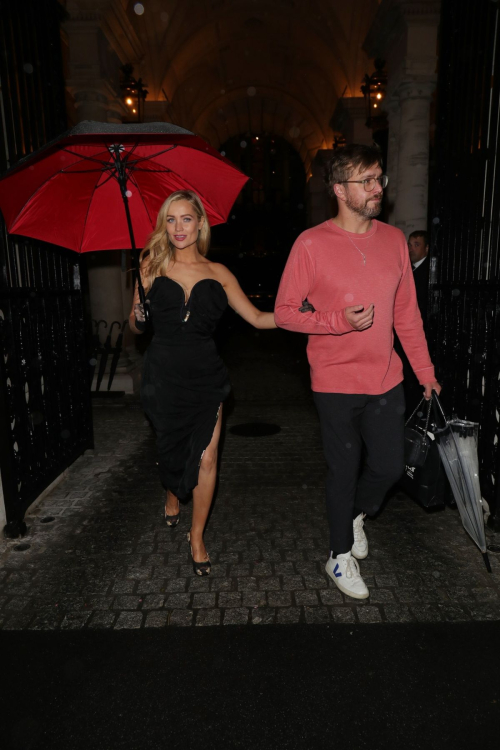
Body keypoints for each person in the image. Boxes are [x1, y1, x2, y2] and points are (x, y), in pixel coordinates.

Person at [274, 144, 441, 600]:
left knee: (389, 467)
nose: (377, 189)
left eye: (379, 179)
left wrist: (424, 371)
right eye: (366, 181)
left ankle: (356, 514)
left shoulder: (393, 240)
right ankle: (338, 555)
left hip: (386, 378)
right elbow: (285, 312)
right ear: (339, 190)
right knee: (343, 469)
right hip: (334, 382)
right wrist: (336, 322)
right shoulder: (311, 244)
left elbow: (406, 314)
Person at [130, 190, 276, 576]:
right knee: (172, 447)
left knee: (208, 457)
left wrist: (304, 315)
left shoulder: (220, 274)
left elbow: (259, 318)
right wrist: (138, 310)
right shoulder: (150, 266)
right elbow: (135, 326)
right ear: (165, 225)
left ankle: (196, 537)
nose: (179, 227)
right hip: (162, 375)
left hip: (205, 376)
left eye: (186, 219)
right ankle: (172, 489)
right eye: (171, 220)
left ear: (200, 224)